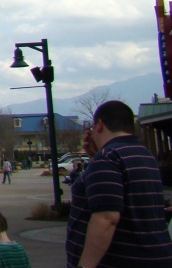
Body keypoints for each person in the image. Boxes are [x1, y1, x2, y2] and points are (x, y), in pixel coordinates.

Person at [66, 100, 172, 268]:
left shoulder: (109, 158)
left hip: (118, 260)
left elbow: (106, 218)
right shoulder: (145, 156)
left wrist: (84, 266)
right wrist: (95, 159)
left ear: (99, 125)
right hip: (153, 256)